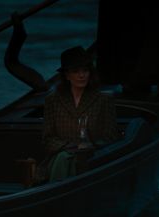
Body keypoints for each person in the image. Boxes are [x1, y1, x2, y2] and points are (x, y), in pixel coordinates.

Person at [37, 46, 121, 183]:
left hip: (94, 159)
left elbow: (110, 136)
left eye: (85, 71)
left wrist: (91, 145)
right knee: (64, 159)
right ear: (67, 75)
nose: (82, 75)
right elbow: (48, 138)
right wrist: (69, 147)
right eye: (76, 71)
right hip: (62, 156)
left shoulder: (104, 100)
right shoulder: (52, 100)